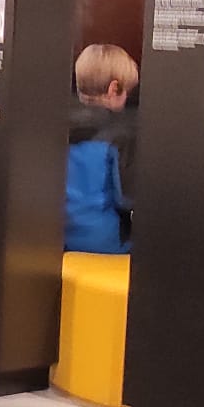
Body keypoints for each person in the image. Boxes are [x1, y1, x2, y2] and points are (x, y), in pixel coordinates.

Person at [64, 43, 139, 254]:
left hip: (57, 239)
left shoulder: (54, 127)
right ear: (114, 89)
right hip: (104, 242)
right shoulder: (121, 135)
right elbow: (127, 199)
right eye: (126, 93)